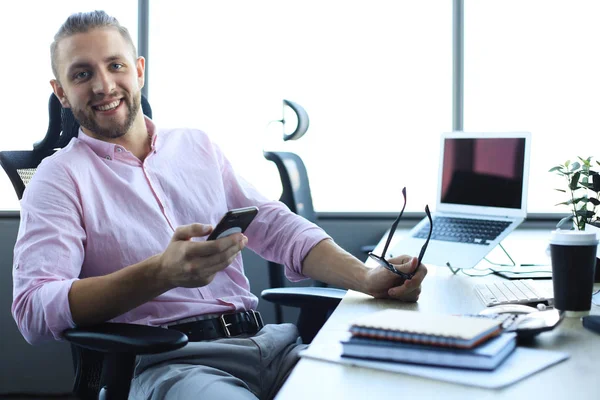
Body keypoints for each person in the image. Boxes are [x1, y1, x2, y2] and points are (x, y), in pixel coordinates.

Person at [12, 10, 427, 400]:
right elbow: (33, 308)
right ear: (61, 93)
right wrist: (162, 273)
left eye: (115, 65)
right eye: (82, 74)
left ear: (138, 70)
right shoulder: (58, 177)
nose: (103, 85)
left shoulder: (196, 146)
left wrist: (367, 277)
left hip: (273, 347)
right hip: (174, 363)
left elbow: (278, 228)